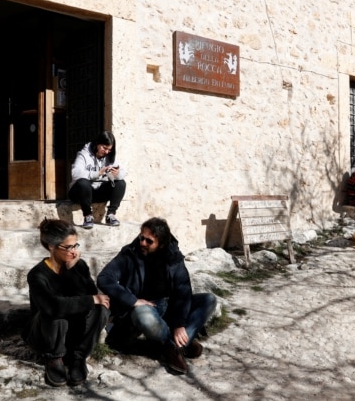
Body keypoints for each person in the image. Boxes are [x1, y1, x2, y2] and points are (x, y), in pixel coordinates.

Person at [97, 217, 217, 375]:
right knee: (143, 315)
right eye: (141, 238)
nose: (143, 243)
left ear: (161, 244)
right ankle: (178, 345)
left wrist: (178, 324)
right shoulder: (130, 253)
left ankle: (175, 346)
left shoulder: (173, 257)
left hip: (168, 306)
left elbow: (183, 290)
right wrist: (132, 300)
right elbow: (104, 278)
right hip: (145, 308)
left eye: (149, 241)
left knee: (209, 300)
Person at [22, 219, 111, 387]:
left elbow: (90, 296)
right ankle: (54, 358)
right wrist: (91, 299)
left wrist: (73, 270)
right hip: (46, 334)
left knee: (101, 309)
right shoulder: (37, 274)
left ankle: (78, 357)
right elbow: (51, 306)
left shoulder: (78, 265)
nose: (74, 252)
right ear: (51, 246)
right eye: (68, 247)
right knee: (57, 312)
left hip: (73, 332)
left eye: (76, 245)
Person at [68, 131, 126, 229]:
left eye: (109, 149)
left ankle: (111, 215)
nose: (107, 152)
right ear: (97, 143)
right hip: (80, 193)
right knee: (83, 183)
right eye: (104, 148)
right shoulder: (83, 155)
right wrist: (97, 173)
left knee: (121, 183)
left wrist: (116, 174)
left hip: (97, 193)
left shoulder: (109, 157)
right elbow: (75, 173)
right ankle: (88, 216)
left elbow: (123, 172)